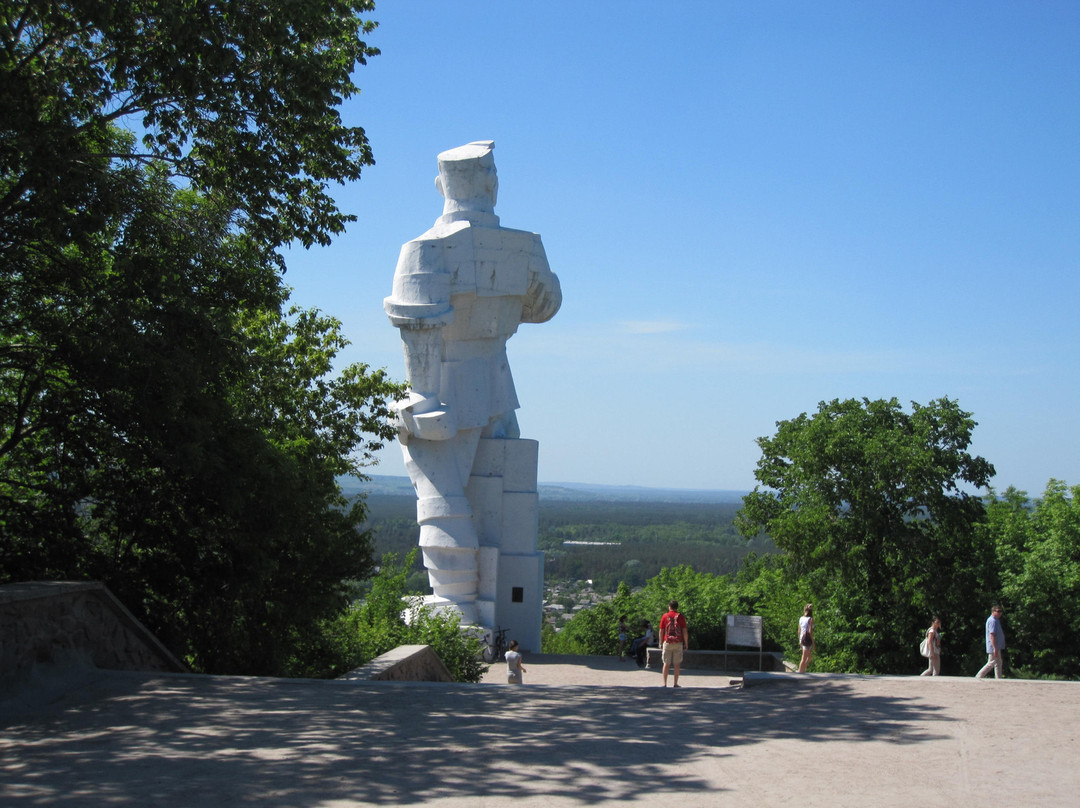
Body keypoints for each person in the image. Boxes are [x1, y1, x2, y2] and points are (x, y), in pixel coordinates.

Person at [384, 141, 562, 627]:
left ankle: (457, 611)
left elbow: (419, 325)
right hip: (499, 387)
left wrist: (422, 398)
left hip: (448, 384)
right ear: (490, 183)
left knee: (438, 496)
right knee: (494, 499)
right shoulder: (526, 246)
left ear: (442, 184)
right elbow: (544, 306)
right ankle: (491, 609)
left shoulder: (425, 249)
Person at [659, 600, 688, 687]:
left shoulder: (665, 616)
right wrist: (686, 643)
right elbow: (684, 631)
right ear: (677, 607)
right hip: (678, 642)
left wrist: (660, 642)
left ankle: (664, 683)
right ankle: (675, 683)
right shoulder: (680, 617)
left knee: (666, 663)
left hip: (667, 642)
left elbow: (661, 630)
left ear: (669, 607)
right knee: (677, 664)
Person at [975, 605, 1006, 679]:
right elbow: (991, 635)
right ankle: (978, 676)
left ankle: (998, 678)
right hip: (993, 646)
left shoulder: (996, 620)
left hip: (997, 646)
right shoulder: (992, 621)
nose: (1000, 613)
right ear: (993, 611)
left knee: (998, 663)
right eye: (998, 611)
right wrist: (994, 648)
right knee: (991, 662)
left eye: (1000, 611)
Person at [798, 604, 815, 673]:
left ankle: (802, 670)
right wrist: (813, 642)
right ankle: (800, 671)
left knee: (809, 656)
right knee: (804, 657)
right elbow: (810, 631)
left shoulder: (801, 618)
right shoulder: (810, 619)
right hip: (807, 639)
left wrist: (799, 641)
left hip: (802, 638)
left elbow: (799, 631)